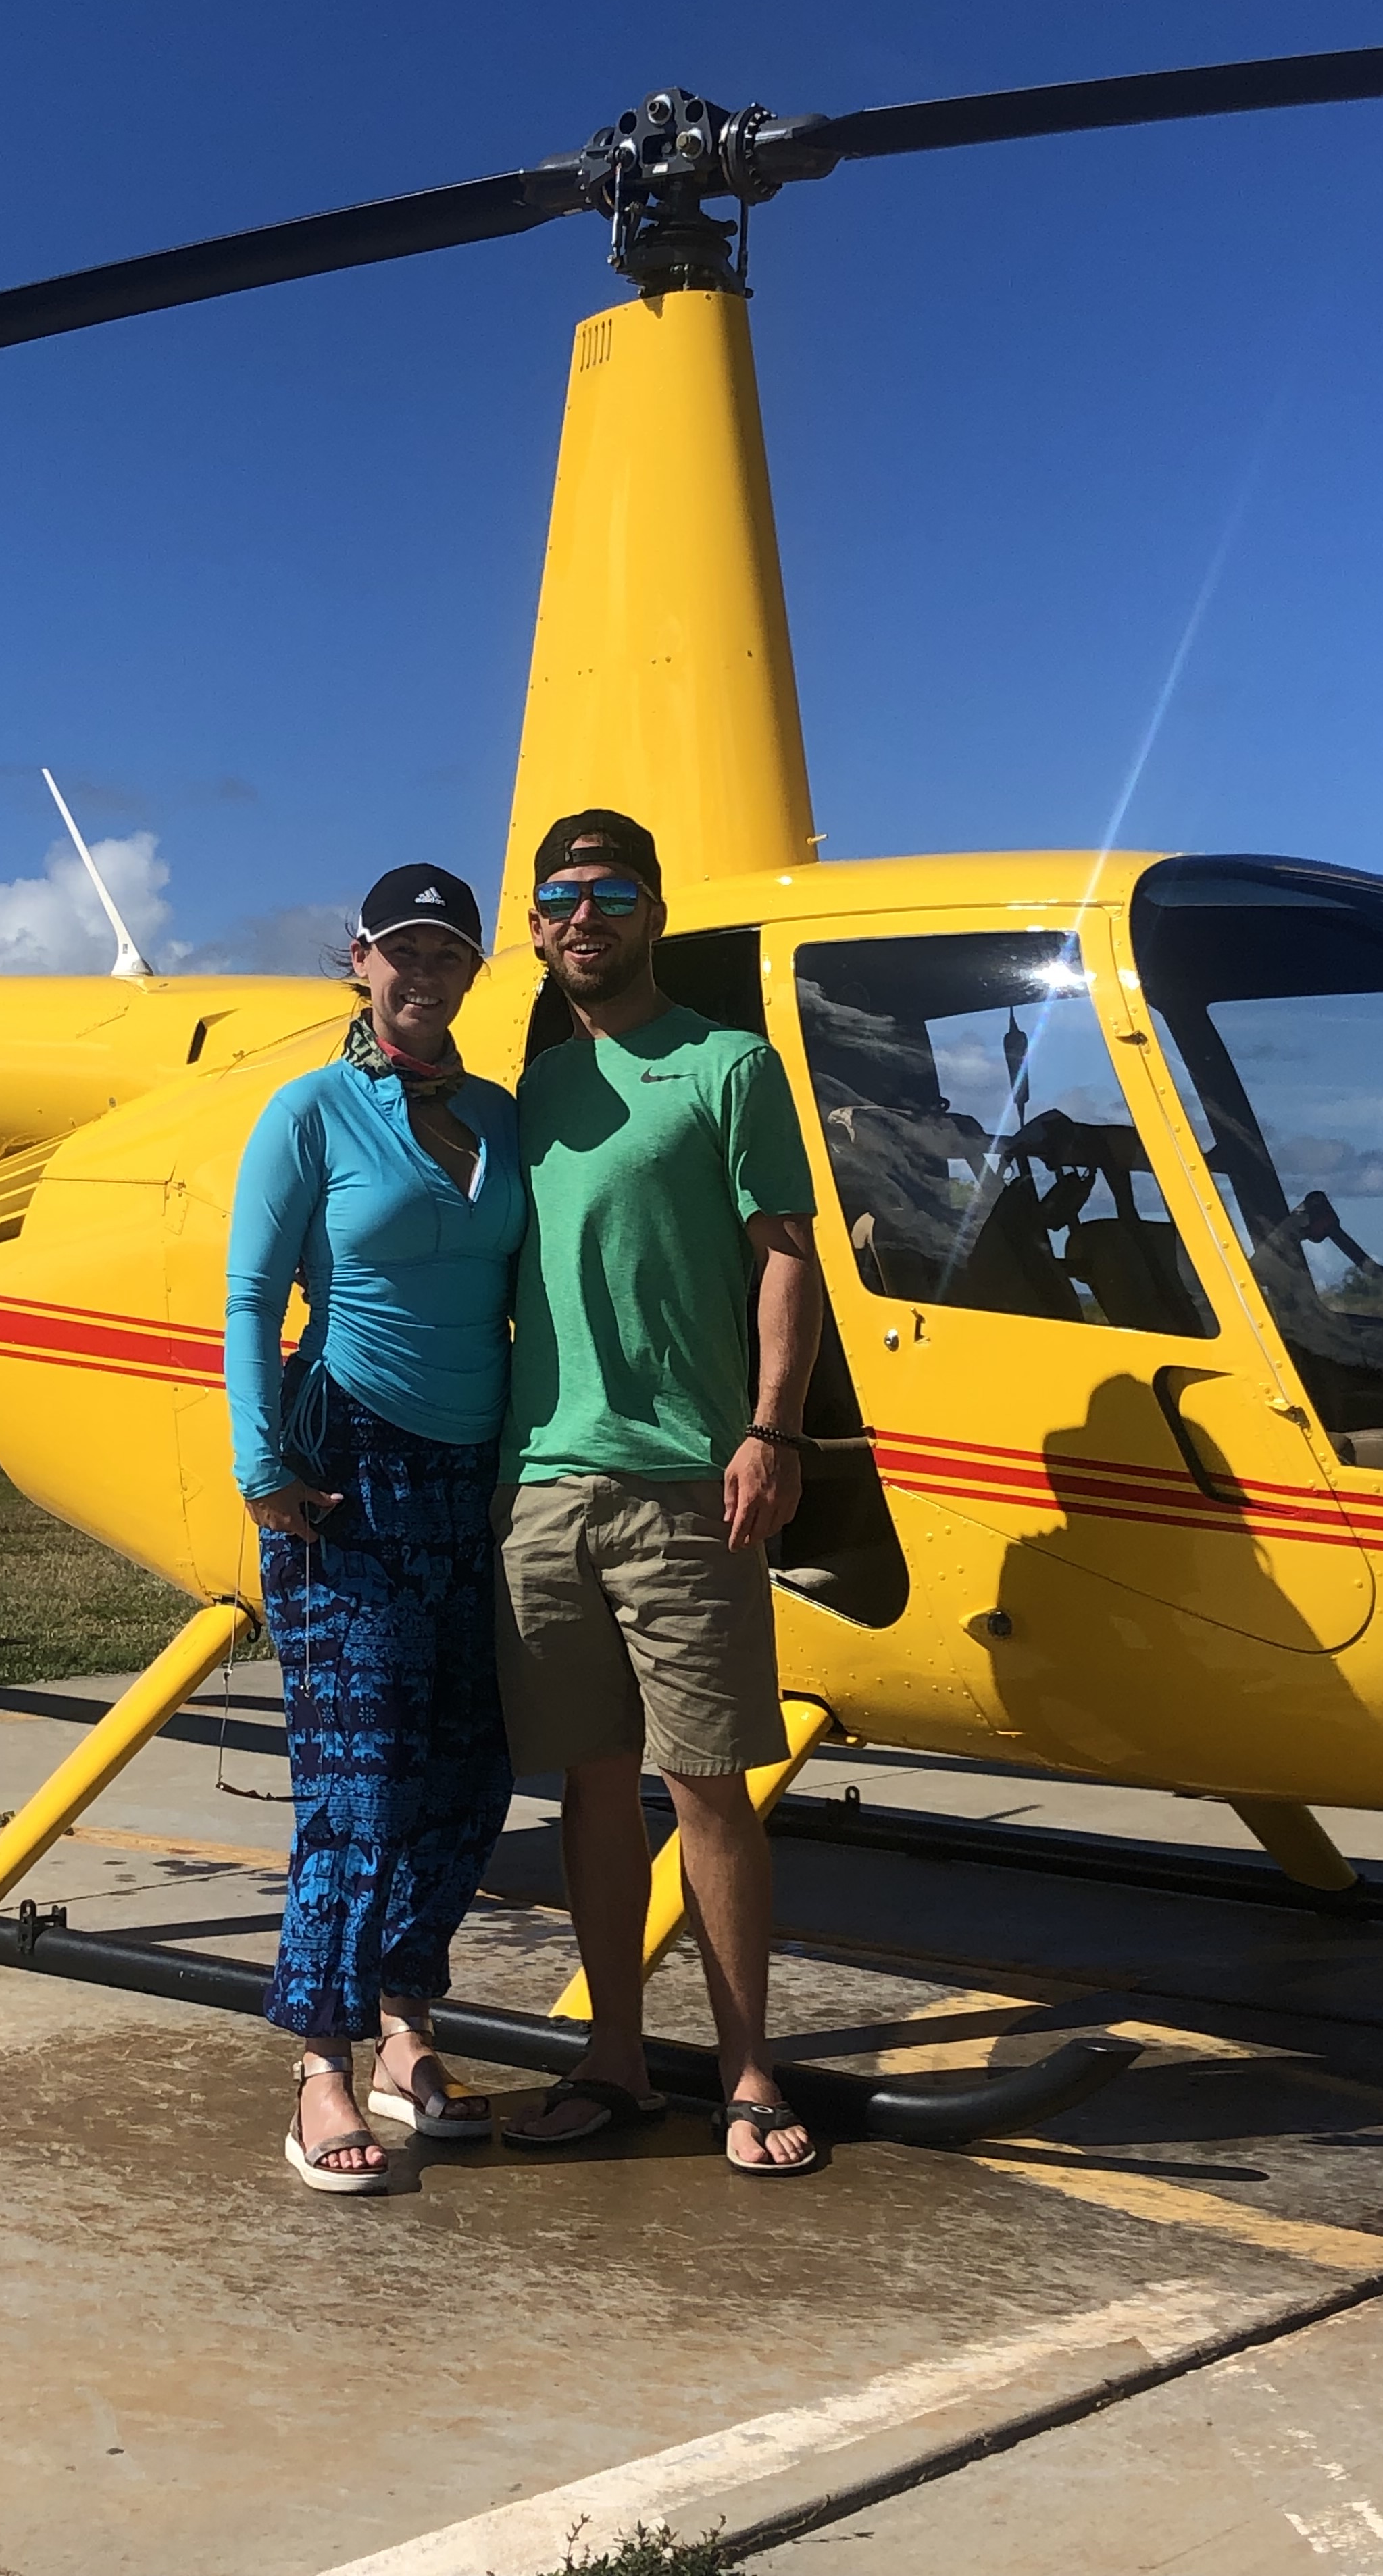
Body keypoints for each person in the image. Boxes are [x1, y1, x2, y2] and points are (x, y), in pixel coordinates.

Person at [494, 810, 824, 2175]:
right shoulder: (527, 1097)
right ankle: (614, 2060)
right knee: (589, 1789)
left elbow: (787, 1253)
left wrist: (771, 1429)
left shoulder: (729, 1064)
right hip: (538, 1487)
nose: (588, 916)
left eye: (614, 893)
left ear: (655, 914)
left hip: (685, 1481)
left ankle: (748, 2073)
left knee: (708, 1787)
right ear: (536, 927)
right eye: (564, 896)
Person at [225, 863, 526, 2194]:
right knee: (359, 1784)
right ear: (361, 960)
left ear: (471, 972)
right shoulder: (310, 1112)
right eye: (403, 950)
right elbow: (251, 1296)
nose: (424, 973)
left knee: (468, 1772)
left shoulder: (500, 1117)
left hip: (474, 1475)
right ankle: (321, 2062)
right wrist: (262, 1466)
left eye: (448, 953)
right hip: (348, 1464)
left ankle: (408, 2025)